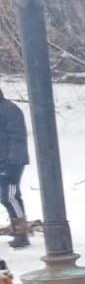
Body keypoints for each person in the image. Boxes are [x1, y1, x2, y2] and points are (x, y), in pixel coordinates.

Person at [0, 86, 30, 249]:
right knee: (8, 197)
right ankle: (17, 228)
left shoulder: (9, 110)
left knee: (9, 197)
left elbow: (17, 138)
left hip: (11, 163)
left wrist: (12, 162)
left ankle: (21, 232)